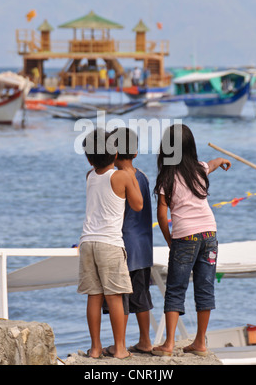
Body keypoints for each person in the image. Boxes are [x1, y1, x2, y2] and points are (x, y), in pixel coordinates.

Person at [152, 124, 231, 357]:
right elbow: (213, 163)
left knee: (176, 289)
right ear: (191, 148)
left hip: (184, 236)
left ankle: (168, 344)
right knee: (205, 287)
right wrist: (222, 159)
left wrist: (169, 239)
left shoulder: (167, 177)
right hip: (210, 235)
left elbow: (161, 215)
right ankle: (200, 343)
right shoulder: (199, 169)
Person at [77, 128, 143, 359]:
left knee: (94, 296)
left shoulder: (89, 175)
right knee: (115, 296)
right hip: (110, 244)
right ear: (115, 153)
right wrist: (129, 172)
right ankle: (121, 349)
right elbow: (138, 204)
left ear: (88, 158)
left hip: (87, 242)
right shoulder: (121, 176)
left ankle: (95, 348)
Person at [102, 127, 153, 356]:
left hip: (124, 246)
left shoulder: (115, 178)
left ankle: (119, 345)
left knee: (120, 296)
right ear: (136, 152)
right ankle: (145, 341)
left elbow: (116, 214)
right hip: (143, 247)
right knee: (141, 297)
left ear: (112, 152)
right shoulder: (142, 176)